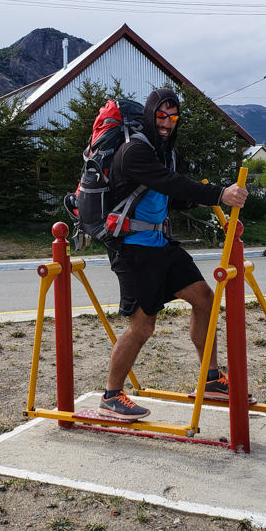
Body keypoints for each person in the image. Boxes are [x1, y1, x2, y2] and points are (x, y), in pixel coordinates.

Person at [98, 88, 249, 420]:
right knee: (142, 328)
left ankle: (211, 380)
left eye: (173, 117)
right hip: (132, 249)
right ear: (151, 115)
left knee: (205, 299)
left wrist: (212, 204)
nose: (167, 123)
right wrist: (219, 193)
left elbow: (176, 196)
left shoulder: (168, 153)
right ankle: (111, 395)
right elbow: (171, 183)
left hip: (162, 246)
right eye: (161, 116)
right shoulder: (133, 152)